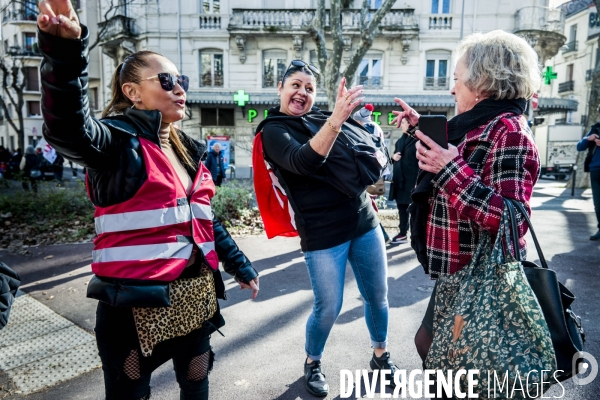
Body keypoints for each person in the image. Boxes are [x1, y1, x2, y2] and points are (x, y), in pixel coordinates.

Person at [37, 2, 259, 399]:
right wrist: (64, 54)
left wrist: (239, 265)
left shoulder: (189, 150)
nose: (180, 88)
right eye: (168, 79)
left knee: (197, 384)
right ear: (132, 92)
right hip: (134, 309)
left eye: (183, 79)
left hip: (194, 297)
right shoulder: (115, 143)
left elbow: (202, 220)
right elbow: (67, 128)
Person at [391, 30, 541, 375]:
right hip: (457, 272)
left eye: (457, 79)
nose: (451, 88)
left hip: (481, 275)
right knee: (432, 346)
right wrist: (419, 129)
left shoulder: (510, 131)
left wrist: (449, 169)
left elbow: (512, 219)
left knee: (454, 361)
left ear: (483, 81)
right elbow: (462, 149)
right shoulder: (481, 124)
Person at [255, 61, 398, 397]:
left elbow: (362, 147)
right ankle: (312, 361)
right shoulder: (273, 131)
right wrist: (336, 118)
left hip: (363, 221)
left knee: (377, 296)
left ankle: (380, 354)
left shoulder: (320, 117)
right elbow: (303, 161)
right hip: (321, 233)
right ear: (280, 88)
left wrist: (355, 121)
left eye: (309, 88)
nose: (302, 92)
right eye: (295, 84)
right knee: (329, 306)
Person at [353, 103, 391, 243]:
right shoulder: (376, 127)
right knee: (368, 204)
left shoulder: (367, 128)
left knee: (367, 204)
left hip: (367, 170)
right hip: (376, 169)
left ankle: (381, 234)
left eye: (355, 120)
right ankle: (380, 234)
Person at [387, 118, 418, 244]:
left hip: (413, 180)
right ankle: (403, 233)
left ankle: (416, 235)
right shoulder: (400, 140)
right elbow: (394, 156)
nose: (401, 126)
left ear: (410, 124)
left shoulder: (418, 140)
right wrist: (393, 157)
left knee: (415, 209)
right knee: (401, 207)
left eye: (403, 123)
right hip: (400, 180)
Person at [578, 106, 600, 240]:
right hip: (595, 170)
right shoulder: (595, 128)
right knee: (598, 203)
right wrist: (588, 138)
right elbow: (579, 147)